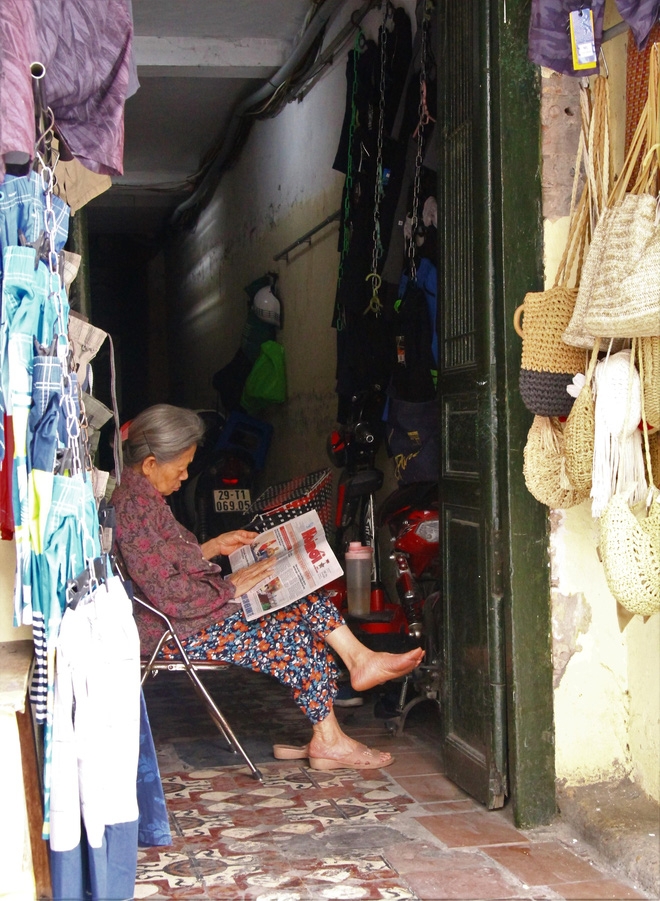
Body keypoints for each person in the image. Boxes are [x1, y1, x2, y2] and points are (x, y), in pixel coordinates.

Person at [111, 404, 424, 771]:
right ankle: (336, 722)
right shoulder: (132, 509)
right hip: (174, 625)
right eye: (180, 468)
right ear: (150, 464)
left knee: (291, 585)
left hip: (188, 610)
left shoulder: (143, 499)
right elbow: (167, 592)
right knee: (289, 631)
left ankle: (353, 678)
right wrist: (230, 587)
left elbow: (163, 562)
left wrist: (213, 547)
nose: (184, 477)